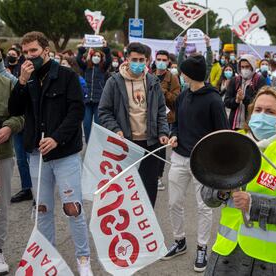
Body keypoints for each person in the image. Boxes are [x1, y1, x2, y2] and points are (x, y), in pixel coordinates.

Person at [203, 87, 276, 276]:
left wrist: (254, 204)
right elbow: (207, 196)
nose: (262, 115)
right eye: (258, 110)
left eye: (270, 112)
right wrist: (222, 191)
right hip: (228, 256)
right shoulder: (233, 142)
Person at [8, 31, 93, 275]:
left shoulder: (66, 76)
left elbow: (76, 111)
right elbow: (14, 109)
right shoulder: (26, 78)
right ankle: (48, 257)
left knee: (73, 209)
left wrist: (57, 138)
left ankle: (83, 259)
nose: (29, 56)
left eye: (33, 51)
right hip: (36, 155)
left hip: (65, 154)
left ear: (46, 50)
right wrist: (22, 82)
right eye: (25, 52)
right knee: (42, 209)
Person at [162, 54, 229, 273]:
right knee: (174, 202)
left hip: (203, 162)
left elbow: (222, 134)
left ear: (189, 75)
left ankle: (202, 247)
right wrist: (174, 135)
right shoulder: (182, 96)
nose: (179, 75)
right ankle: (179, 241)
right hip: (179, 158)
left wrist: (215, 160)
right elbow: (176, 123)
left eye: (182, 72)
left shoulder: (213, 100)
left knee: (204, 207)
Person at [98, 42, 169, 207]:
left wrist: (163, 133)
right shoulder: (114, 82)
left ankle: (147, 223)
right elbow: (104, 111)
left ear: (147, 60)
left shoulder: (153, 81)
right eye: (134, 59)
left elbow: (161, 110)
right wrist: (115, 129)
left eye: (142, 60)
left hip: (151, 143)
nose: (138, 63)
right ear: (127, 59)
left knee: (149, 187)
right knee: (125, 189)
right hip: (126, 144)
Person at [0, 43, 24, 275]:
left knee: (0, 205)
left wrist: (9, 127)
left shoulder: (7, 84)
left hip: (1, 154)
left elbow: (21, 115)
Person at [3, 47, 34, 203]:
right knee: (21, 159)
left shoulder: (27, 69)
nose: (11, 56)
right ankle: (26, 188)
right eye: (9, 54)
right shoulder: (7, 70)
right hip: (16, 121)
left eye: (14, 54)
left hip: (27, 120)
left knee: (32, 158)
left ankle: (38, 190)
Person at [153, 49, 180, 191]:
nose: (161, 62)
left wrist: (163, 92)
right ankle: (149, 174)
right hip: (151, 117)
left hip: (166, 118)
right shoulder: (150, 75)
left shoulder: (172, 78)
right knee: (151, 146)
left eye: (164, 60)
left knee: (160, 147)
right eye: (159, 59)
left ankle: (158, 177)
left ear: (168, 62)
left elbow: (177, 100)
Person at [76, 41, 111, 143]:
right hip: (87, 101)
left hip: (99, 101)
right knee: (86, 124)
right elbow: (78, 59)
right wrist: (82, 48)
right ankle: (88, 143)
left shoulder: (103, 68)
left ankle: (98, 144)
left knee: (98, 124)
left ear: (101, 58)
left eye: (98, 56)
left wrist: (105, 48)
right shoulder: (86, 67)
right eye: (94, 55)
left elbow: (109, 59)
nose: (96, 57)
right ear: (91, 57)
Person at [224, 54, 266, 130]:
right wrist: (236, 100)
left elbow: (261, 104)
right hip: (234, 125)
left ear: (253, 66)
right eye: (242, 67)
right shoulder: (235, 80)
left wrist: (244, 98)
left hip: (250, 125)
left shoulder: (259, 80)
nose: (244, 69)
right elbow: (227, 102)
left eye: (247, 67)